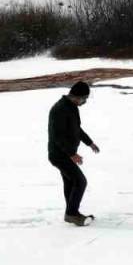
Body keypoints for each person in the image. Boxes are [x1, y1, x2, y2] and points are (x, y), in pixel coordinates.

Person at [48, 81, 101, 226]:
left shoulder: (71, 107)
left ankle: (72, 212)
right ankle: (71, 213)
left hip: (65, 153)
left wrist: (89, 143)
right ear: (77, 96)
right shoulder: (60, 109)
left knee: (71, 182)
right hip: (59, 155)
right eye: (85, 98)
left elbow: (77, 129)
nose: (85, 101)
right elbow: (57, 136)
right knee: (80, 181)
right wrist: (72, 154)